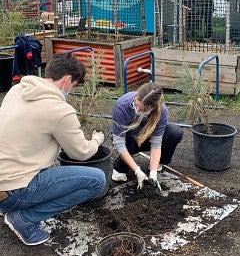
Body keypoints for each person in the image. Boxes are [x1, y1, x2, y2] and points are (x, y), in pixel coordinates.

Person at [0, 52, 106, 246]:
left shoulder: (17, 90)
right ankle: (25, 218)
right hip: (13, 189)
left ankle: (13, 205)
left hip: (4, 181)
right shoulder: (59, 110)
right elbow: (81, 153)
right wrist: (96, 141)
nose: (71, 91)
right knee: (97, 180)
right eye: (73, 86)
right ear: (67, 80)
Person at [111, 82, 183, 193]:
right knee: (131, 132)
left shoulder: (162, 111)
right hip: (129, 138)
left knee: (175, 133)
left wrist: (153, 173)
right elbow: (119, 143)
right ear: (136, 97)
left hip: (146, 137)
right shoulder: (122, 106)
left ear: (152, 107)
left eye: (142, 109)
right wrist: (137, 171)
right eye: (137, 106)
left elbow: (156, 142)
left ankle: (155, 165)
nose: (138, 110)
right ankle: (121, 167)